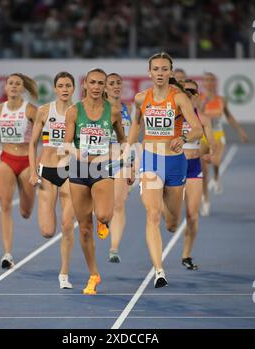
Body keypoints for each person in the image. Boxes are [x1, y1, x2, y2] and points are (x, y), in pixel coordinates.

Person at [126, 52, 203, 287]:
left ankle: (169, 219)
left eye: (164, 69)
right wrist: (129, 159)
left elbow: (198, 130)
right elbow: (136, 126)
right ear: (149, 72)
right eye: (156, 69)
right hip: (150, 160)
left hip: (174, 162)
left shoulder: (179, 98)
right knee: (152, 214)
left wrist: (182, 136)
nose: (160, 73)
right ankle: (159, 270)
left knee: (171, 222)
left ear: (171, 72)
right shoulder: (141, 98)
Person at [64, 68, 129, 295]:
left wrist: (125, 162)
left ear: (104, 86)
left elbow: (122, 139)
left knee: (103, 215)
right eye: (92, 82)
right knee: (83, 229)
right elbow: (66, 142)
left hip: (102, 167)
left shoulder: (113, 112)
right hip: (78, 169)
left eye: (100, 83)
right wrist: (74, 151)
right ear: (85, 84)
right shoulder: (74, 111)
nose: (96, 87)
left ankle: (104, 220)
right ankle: (94, 274)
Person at [0, 73, 38, 268]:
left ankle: (26, 207)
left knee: (26, 211)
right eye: (10, 83)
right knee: (5, 205)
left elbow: (43, 133)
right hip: (6, 159)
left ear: (22, 89)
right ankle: (7, 254)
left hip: (27, 163)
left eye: (17, 84)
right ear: (5, 88)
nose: (13, 86)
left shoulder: (30, 110)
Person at [29, 72, 76, 289]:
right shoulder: (44, 111)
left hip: (70, 170)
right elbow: (33, 143)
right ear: (55, 89)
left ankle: (64, 274)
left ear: (73, 89)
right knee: (47, 231)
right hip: (46, 171)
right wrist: (32, 171)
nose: (65, 89)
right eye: (61, 85)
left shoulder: (79, 113)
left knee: (67, 226)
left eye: (68, 85)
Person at [200, 72, 248, 216]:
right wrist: (203, 103)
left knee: (215, 161)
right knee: (203, 172)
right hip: (203, 136)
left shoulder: (222, 100)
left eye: (211, 80)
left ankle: (216, 178)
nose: (209, 83)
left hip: (218, 134)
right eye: (206, 80)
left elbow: (229, 116)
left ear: (215, 83)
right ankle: (206, 201)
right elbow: (197, 115)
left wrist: (240, 131)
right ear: (203, 83)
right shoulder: (199, 99)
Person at [181, 79, 216, 270]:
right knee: (168, 217)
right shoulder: (173, 116)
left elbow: (209, 142)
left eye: (191, 91)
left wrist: (205, 151)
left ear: (196, 95)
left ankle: (186, 254)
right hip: (173, 167)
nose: (187, 93)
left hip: (193, 167)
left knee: (192, 215)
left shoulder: (202, 119)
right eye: (183, 90)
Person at [98, 72, 133, 263]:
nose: (116, 86)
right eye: (111, 83)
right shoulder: (98, 108)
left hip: (121, 161)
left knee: (119, 204)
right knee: (102, 207)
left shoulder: (126, 109)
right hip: (100, 161)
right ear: (105, 87)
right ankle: (102, 219)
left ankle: (114, 248)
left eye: (118, 83)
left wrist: (133, 165)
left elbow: (130, 138)